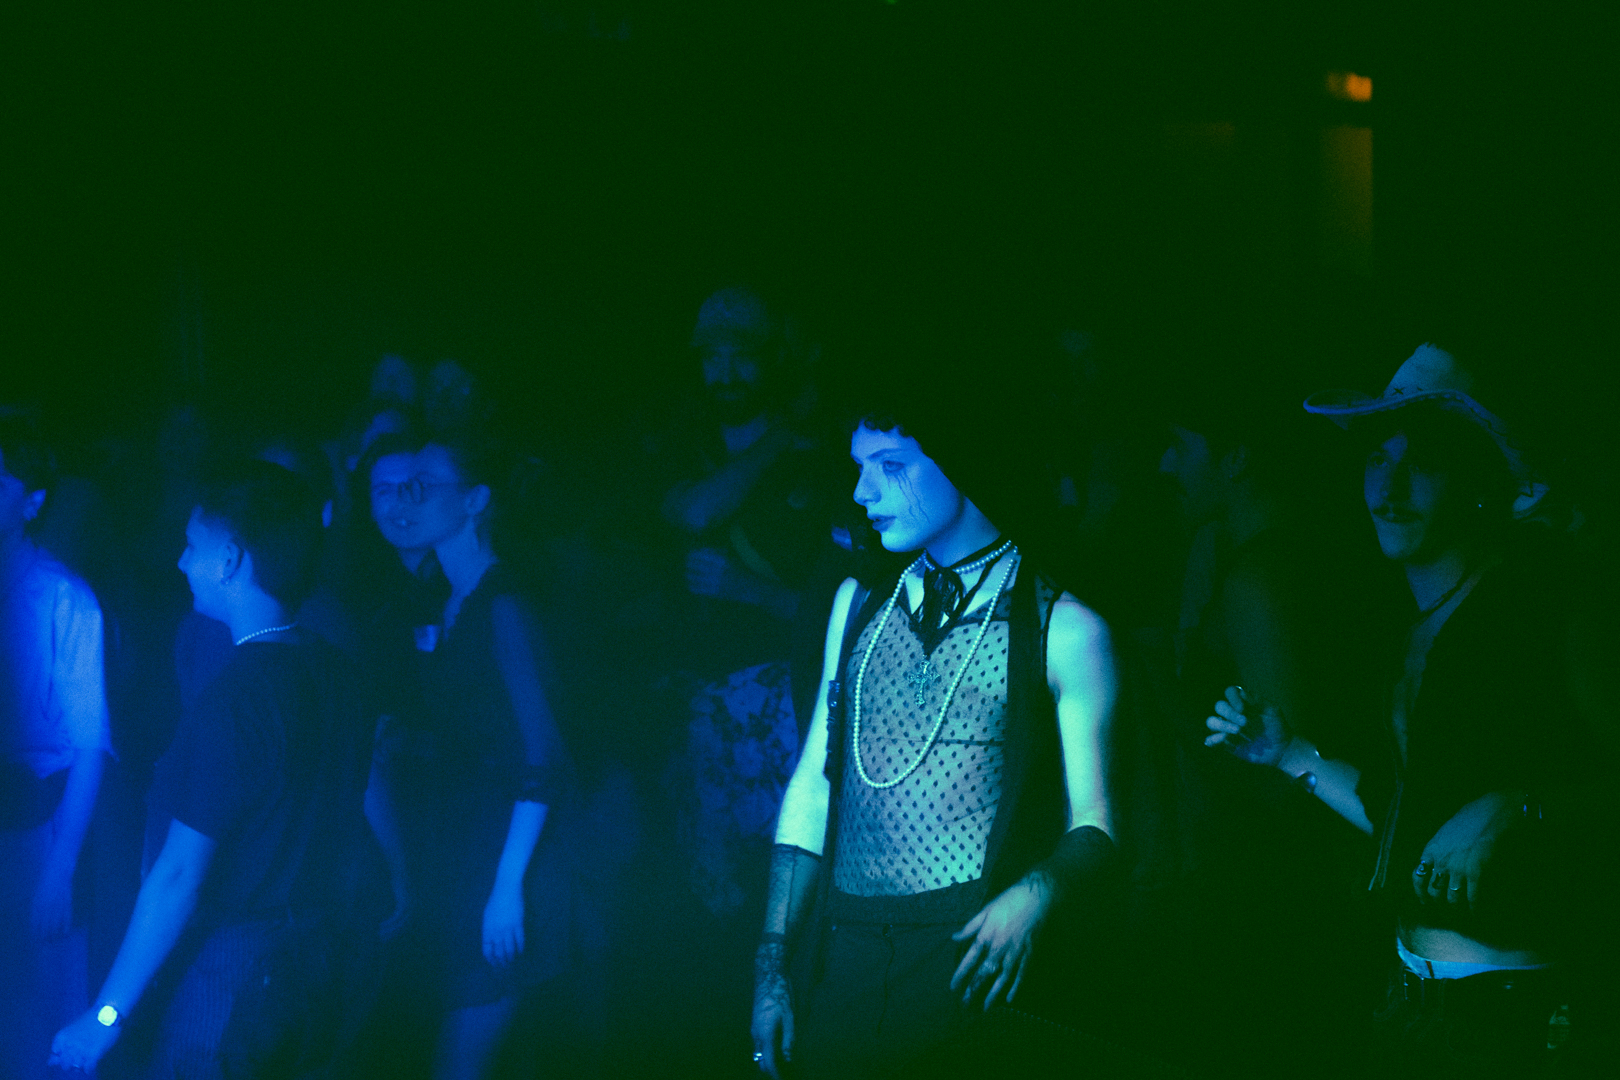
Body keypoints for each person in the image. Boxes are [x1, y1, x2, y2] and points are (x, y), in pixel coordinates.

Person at [1205, 343, 1600, 1078]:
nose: (1390, 486)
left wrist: (1517, 807)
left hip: (1520, 1015)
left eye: (1424, 462)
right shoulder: (1404, 633)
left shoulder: (1547, 613)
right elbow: (1406, 819)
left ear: (1477, 481)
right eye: (1378, 459)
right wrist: (1286, 752)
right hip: (1408, 1005)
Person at [749, 396, 1121, 1080]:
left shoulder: (1065, 627)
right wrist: (771, 964)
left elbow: (1097, 823)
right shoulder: (858, 603)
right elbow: (813, 785)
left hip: (966, 955)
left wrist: (1037, 892)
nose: (863, 492)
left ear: (962, 460)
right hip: (841, 950)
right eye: (860, 466)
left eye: (891, 466)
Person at [48, 458, 372, 1077]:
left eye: (192, 545)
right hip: (321, 956)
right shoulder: (338, 672)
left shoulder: (236, 698)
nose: (179, 561)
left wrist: (104, 1018)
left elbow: (178, 875)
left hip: (235, 977)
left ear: (229, 560)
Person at [367, 434, 577, 1080]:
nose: (408, 496)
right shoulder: (450, 598)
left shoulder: (502, 604)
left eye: (425, 483)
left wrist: (508, 887)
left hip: (505, 860)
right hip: (467, 851)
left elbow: (543, 757)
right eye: (403, 484)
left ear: (475, 500)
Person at [0, 415, 110, 1080]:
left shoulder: (64, 599)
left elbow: (90, 748)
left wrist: (59, 870)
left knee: (44, 1012)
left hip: (35, 827)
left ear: (32, 499)